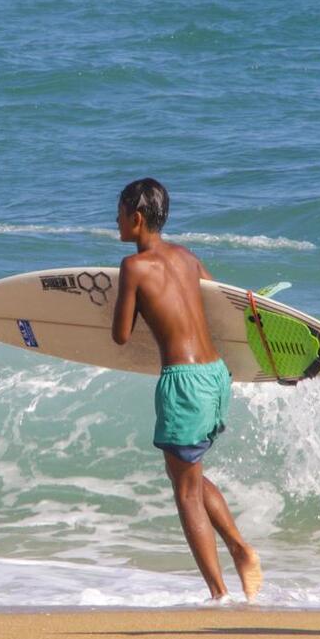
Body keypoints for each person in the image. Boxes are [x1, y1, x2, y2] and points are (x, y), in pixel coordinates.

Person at [111, 177, 262, 602]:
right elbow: (220, 301)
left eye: (119, 213)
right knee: (190, 475)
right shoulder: (189, 258)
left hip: (183, 382)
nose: (115, 221)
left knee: (184, 490)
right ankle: (239, 549)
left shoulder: (133, 267)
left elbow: (121, 335)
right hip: (216, 375)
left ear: (136, 219)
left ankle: (219, 592)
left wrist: (127, 302)